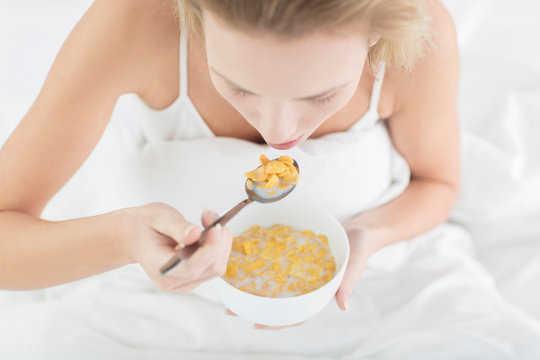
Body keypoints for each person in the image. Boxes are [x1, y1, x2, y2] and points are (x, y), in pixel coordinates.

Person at [0, 0, 459, 330]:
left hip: (366, 310)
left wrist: (367, 235)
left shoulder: (420, 32)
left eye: (320, 95)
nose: (279, 135)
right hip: (148, 322)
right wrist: (121, 238)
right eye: (238, 86)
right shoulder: (133, 19)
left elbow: (437, 181)